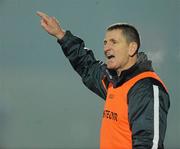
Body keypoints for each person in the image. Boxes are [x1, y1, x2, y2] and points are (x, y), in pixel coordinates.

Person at [37, 11, 170, 149]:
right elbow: (87, 66)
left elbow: (148, 144)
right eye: (105, 42)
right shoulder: (114, 81)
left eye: (114, 42)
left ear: (132, 48)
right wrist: (61, 35)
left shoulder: (146, 87)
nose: (107, 47)